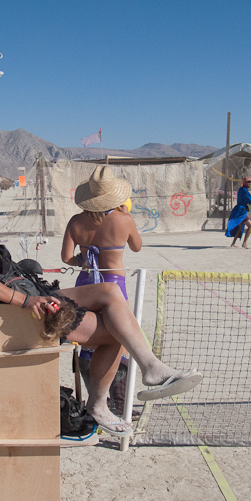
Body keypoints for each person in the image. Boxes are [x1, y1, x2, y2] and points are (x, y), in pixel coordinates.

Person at [0, 134, 202, 438]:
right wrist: (24, 301)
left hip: (31, 292)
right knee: (115, 334)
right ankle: (100, 403)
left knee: (111, 292)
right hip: (24, 308)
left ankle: (151, 366)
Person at [61, 165, 142, 416]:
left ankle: (95, 399)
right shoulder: (124, 220)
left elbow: (66, 257)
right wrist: (125, 214)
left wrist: (82, 260)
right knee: (119, 341)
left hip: (86, 285)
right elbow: (137, 247)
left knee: (88, 340)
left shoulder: (76, 222)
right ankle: (117, 403)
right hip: (114, 285)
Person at [225, 176, 251, 248]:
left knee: (240, 228)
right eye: (248, 182)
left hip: (240, 210)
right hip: (241, 211)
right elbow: (250, 201)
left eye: (250, 182)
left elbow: (246, 198)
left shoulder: (243, 190)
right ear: (244, 182)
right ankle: (244, 243)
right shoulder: (244, 190)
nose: (249, 184)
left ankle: (233, 243)